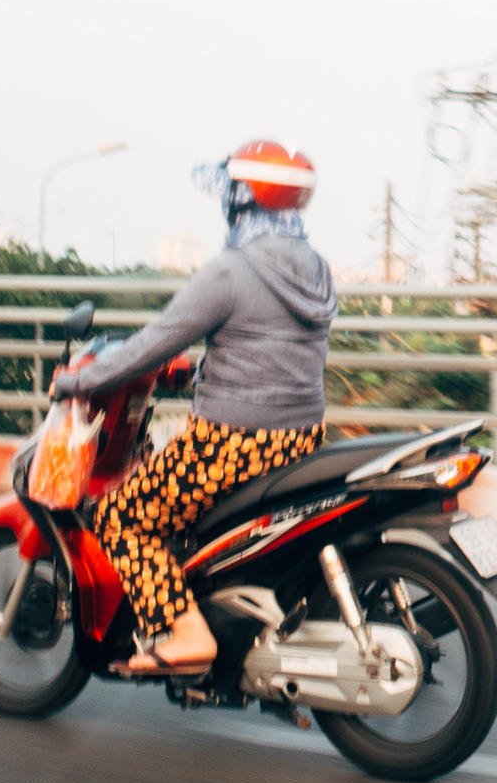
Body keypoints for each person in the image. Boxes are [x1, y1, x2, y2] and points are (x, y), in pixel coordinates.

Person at [51, 140, 337, 676]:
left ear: (244, 200)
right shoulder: (316, 269)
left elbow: (152, 342)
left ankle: (185, 632)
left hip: (230, 445)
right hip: (299, 438)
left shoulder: (230, 271)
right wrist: (198, 371)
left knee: (121, 518)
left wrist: (79, 379)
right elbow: (266, 349)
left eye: (231, 193)